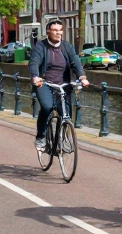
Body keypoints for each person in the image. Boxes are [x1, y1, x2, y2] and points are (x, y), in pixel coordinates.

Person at [28, 19, 89, 151]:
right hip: (45, 84)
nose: (58, 33)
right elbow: (34, 62)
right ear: (48, 32)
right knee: (47, 107)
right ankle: (41, 136)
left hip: (63, 85)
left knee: (65, 113)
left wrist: (82, 77)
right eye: (55, 30)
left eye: (60, 30)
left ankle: (63, 138)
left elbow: (75, 62)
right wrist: (35, 77)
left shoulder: (67, 46)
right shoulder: (41, 46)